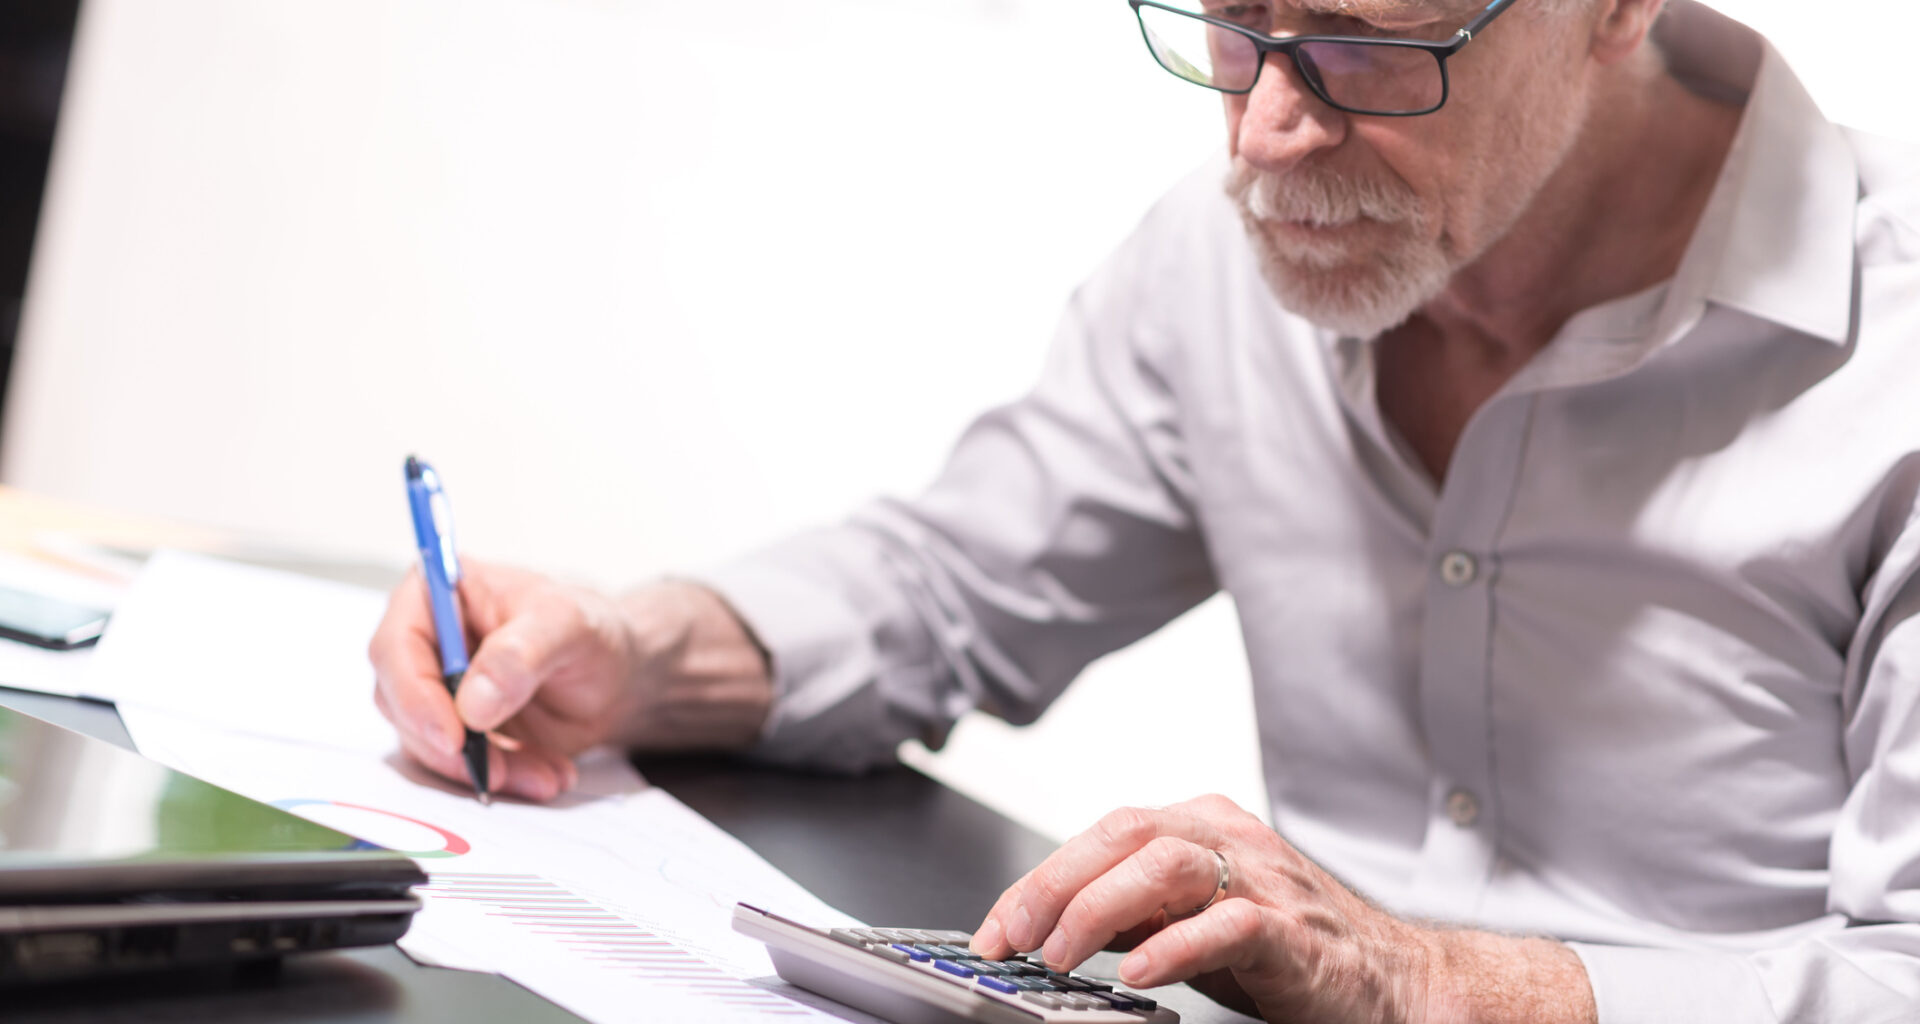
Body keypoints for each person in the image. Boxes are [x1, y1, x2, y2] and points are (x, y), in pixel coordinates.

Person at [368, 0, 1920, 1019]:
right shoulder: (1224, 259)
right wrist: (633, 652)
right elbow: (951, 581)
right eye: (1237, 26)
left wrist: (1431, 985)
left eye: (1370, 43)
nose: (1266, 131)